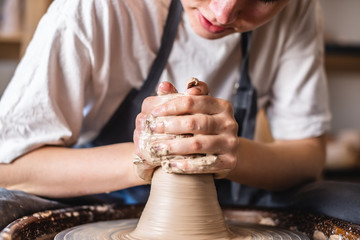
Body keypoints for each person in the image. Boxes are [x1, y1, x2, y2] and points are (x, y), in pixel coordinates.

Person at [1, 0, 357, 230]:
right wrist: (151, 154)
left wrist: (225, 153)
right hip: (99, 192)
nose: (222, 13)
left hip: (227, 198)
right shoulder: (95, 7)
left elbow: (308, 156)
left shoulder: (297, 8)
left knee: (350, 206)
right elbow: (10, 165)